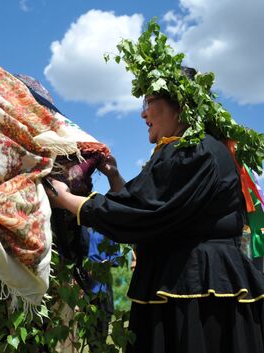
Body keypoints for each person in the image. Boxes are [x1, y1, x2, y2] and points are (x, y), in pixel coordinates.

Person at [46, 27, 264, 353]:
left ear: (180, 106)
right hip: (192, 277)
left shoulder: (192, 150)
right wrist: (115, 177)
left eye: (149, 102)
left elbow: (143, 212)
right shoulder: (192, 149)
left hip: (197, 287)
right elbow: (144, 203)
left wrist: (68, 200)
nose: (143, 113)